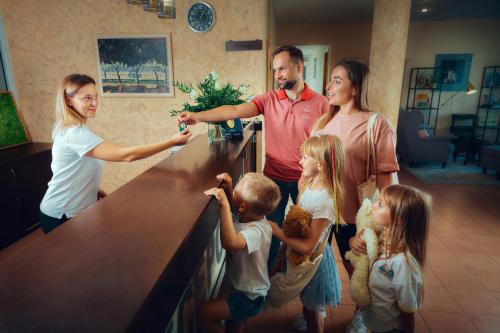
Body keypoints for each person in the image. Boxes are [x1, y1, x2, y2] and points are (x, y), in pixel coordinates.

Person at [177, 46, 330, 271]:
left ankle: (302, 279)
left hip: (307, 180)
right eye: (275, 70)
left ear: (299, 67)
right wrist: (198, 116)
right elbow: (233, 110)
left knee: (305, 232)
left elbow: (326, 145)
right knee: (269, 227)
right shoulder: (268, 99)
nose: (277, 75)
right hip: (274, 177)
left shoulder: (321, 103)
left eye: (282, 69)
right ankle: (267, 275)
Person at [310, 59, 399, 332]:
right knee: (314, 269)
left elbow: (386, 182)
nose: (329, 86)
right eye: (330, 80)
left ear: (355, 87)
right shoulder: (323, 122)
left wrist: (375, 225)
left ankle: (363, 314)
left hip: (354, 215)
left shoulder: (375, 123)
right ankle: (314, 310)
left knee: (358, 274)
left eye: (337, 80)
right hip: (322, 213)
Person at [39, 74, 191, 233]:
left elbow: (76, 169)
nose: (95, 103)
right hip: (60, 214)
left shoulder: (78, 129)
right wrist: (172, 142)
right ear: (68, 100)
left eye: (95, 97)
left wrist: (95, 191)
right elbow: (126, 155)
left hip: (77, 211)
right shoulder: (74, 134)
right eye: (87, 98)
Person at [268, 135, 345, 333]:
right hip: (302, 258)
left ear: (320, 164)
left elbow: (308, 246)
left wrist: (277, 232)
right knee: (309, 306)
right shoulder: (308, 186)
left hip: (315, 262)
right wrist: (282, 253)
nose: (300, 160)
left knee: (314, 312)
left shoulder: (324, 201)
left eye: (304, 157)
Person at [199, 172, 281, 333]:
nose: (233, 192)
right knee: (235, 324)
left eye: (236, 189)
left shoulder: (256, 232)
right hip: (243, 288)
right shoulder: (252, 216)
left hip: (248, 297)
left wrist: (224, 205)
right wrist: (230, 189)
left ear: (244, 206)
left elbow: (230, 243)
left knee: (203, 312)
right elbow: (238, 208)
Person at [358, 184, 430, 333]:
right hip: (373, 324)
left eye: (380, 204)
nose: (373, 205)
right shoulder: (380, 238)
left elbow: (408, 312)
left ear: (398, 220)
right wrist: (353, 241)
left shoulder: (403, 263)